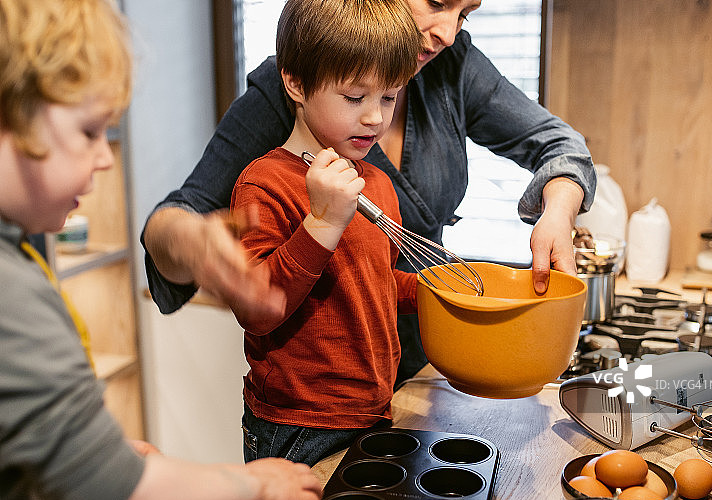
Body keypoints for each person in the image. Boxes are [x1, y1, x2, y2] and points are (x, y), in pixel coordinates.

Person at [142, 0, 597, 384]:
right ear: (297, 85)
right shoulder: (297, 80)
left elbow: (559, 144)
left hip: (415, 363)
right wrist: (191, 241)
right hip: (320, 384)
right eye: (438, 2)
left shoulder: (453, 65)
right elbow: (180, 213)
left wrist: (557, 211)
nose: (448, 32)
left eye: (466, 13)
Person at [0, 0, 321, 500]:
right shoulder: (11, 297)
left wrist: (97, 455)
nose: (105, 157)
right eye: (87, 132)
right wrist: (254, 485)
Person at [231, 0, 421, 467]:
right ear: (295, 82)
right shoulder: (266, 184)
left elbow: (372, 280)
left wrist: (431, 288)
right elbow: (256, 309)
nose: (376, 117)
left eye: (389, 97)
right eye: (355, 98)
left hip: (374, 408)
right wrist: (322, 223)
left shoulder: (374, 182)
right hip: (296, 426)